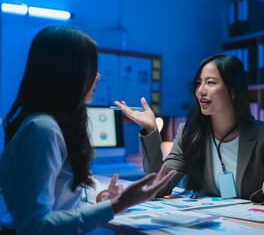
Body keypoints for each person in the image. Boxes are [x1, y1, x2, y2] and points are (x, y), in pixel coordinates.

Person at [0, 26, 176, 235]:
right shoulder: (43, 130)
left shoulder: (49, 125)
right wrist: (118, 204)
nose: (98, 76)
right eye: (91, 67)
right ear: (68, 70)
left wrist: (103, 201)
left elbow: (59, 208)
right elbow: (34, 226)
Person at [115, 54, 264, 204]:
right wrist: (150, 130)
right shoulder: (189, 132)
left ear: (233, 90)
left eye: (210, 83)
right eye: (198, 83)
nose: (200, 90)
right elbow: (159, 187)